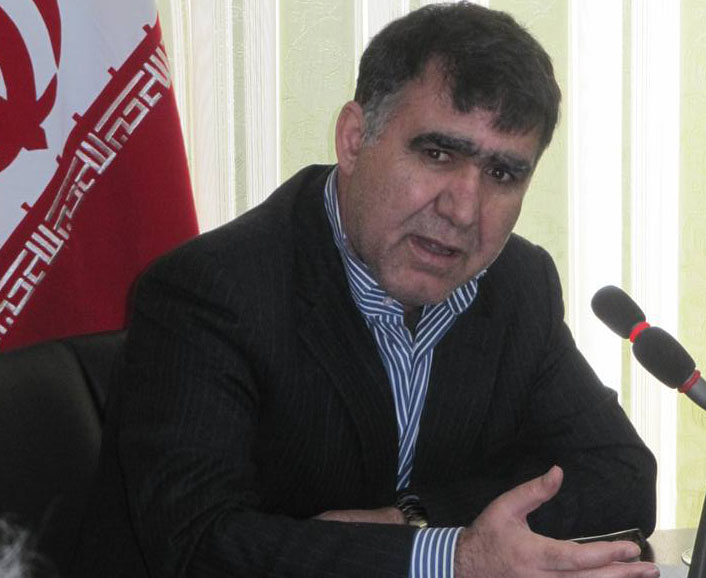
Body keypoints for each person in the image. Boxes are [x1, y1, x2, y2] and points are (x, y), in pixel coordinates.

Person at [71, 3, 658, 577]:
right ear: (354, 140)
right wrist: (455, 558)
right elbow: (198, 545)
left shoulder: (517, 285)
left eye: (502, 173)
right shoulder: (211, 292)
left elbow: (623, 476)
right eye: (437, 154)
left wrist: (422, 526)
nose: (463, 209)